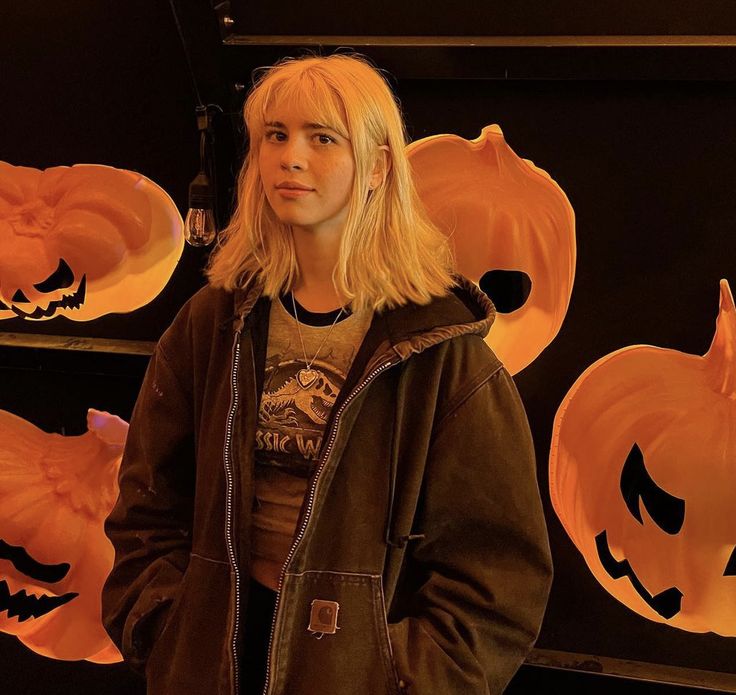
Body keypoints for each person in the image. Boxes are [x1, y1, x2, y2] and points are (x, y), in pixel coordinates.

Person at [102, 52, 552, 695]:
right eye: (275, 136)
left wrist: (398, 676)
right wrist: (165, 628)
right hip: (213, 655)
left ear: (375, 167)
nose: (291, 157)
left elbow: (498, 573)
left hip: (350, 671)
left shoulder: (440, 351)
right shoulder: (212, 324)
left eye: (322, 138)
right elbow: (146, 499)